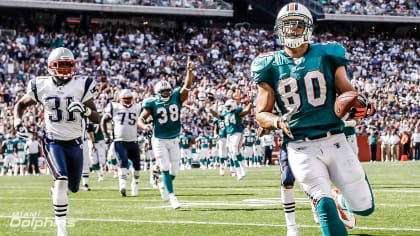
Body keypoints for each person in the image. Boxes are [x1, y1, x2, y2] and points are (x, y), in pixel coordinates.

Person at [252, 3, 375, 235]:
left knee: (365, 208)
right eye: (287, 26)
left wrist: (360, 104)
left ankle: (344, 202)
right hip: (300, 146)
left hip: (335, 139)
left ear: (307, 28)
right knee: (323, 205)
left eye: (297, 25)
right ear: (279, 30)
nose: (292, 31)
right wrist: (276, 122)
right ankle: (330, 203)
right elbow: (261, 113)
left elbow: (347, 93)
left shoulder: (328, 54)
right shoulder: (268, 65)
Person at [14, 47, 100, 236]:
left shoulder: (82, 84)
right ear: (51, 66)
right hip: (53, 141)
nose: (65, 69)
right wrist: (17, 122)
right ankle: (62, 230)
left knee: (74, 188)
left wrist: (85, 111)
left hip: (76, 142)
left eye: (69, 65)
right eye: (61, 65)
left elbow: (97, 118)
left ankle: (57, 193)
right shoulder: (41, 84)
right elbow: (20, 104)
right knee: (61, 177)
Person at [138, 58, 194, 209]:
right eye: (163, 92)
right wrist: (144, 126)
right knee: (165, 167)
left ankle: (162, 183)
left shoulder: (176, 97)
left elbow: (187, 86)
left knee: (175, 170)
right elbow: (141, 118)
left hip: (174, 138)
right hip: (159, 140)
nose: (166, 93)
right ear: (157, 93)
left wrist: (189, 71)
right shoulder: (152, 103)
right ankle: (172, 196)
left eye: (168, 91)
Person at [101, 89, 142, 197]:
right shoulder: (114, 107)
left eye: (129, 99)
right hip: (120, 140)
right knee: (123, 162)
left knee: (137, 165)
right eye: (125, 99)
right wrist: (106, 135)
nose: (128, 101)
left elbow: (144, 119)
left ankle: (135, 184)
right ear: (120, 99)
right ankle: (122, 185)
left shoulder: (137, 107)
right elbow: (104, 121)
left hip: (133, 140)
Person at [210, 99, 252, 180]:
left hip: (237, 133)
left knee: (236, 151)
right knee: (233, 154)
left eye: (229, 106)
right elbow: (217, 116)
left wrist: (250, 104)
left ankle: (243, 166)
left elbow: (246, 111)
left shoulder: (237, 111)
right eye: (227, 107)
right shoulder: (225, 113)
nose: (227, 108)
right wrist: (210, 110)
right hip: (229, 135)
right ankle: (239, 172)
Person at [213, 104, 228, 175]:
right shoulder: (227, 116)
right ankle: (231, 169)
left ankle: (223, 168)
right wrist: (216, 134)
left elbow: (216, 128)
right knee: (227, 153)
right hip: (225, 136)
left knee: (223, 153)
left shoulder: (218, 118)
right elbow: (216, 128)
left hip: (224, 136)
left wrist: (215, 134)